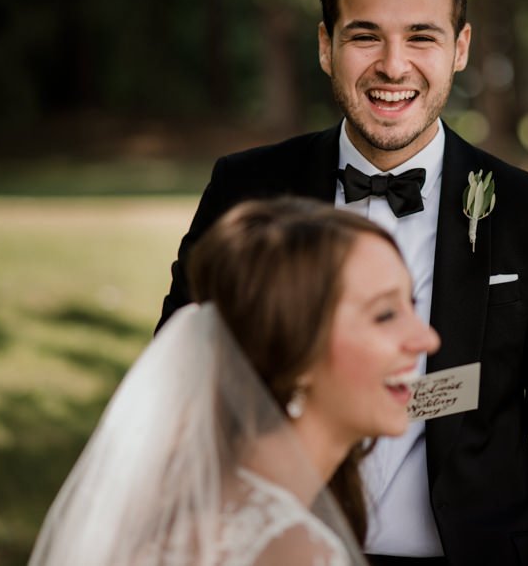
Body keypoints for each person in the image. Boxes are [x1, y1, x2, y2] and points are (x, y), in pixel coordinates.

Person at [157, 0, 528, 565]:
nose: (393, 65)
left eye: (421, 36)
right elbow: (181, 385)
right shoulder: (247, 189)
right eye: (365, 35)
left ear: (460, 48)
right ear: (326, 46)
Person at [30, 198, 440, 565]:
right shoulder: (295, 552)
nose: (427, 339)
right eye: (385, 314)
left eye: (412, 305)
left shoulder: (194, 508)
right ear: (293, 350)